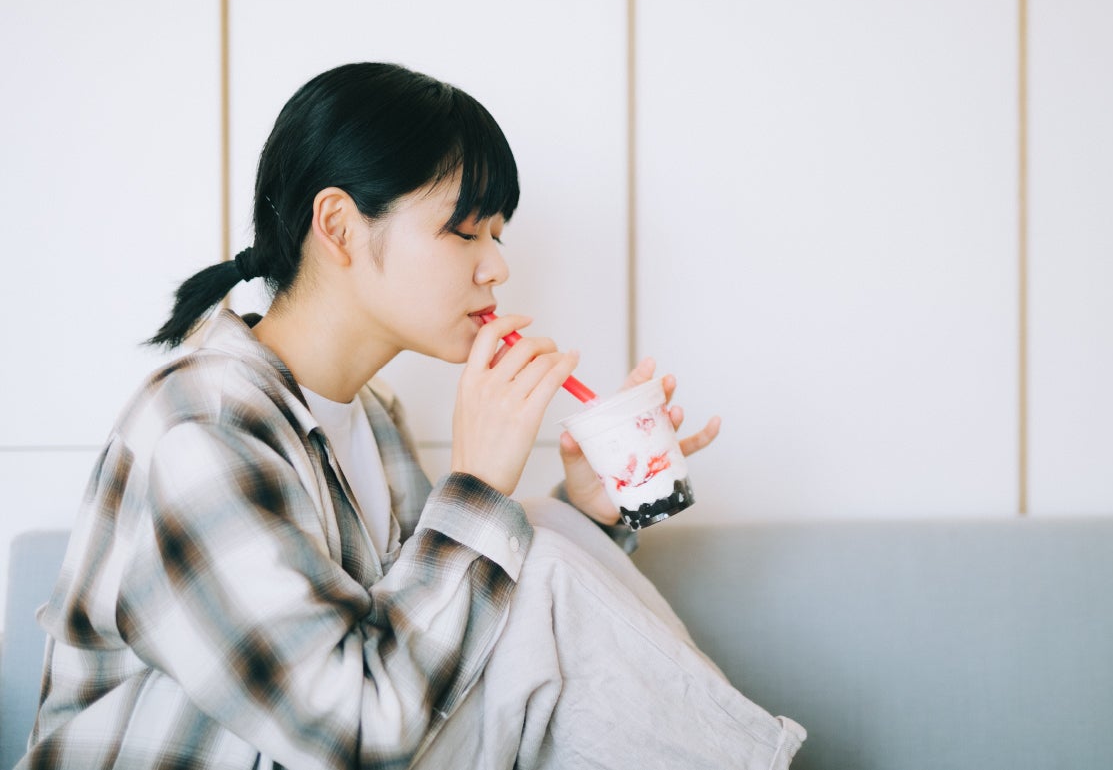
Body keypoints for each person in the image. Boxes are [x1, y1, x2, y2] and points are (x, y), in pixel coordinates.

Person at [18, 62, 805, 769]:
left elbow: (434, 636)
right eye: (464, 231)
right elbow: (357, 730)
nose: (497, 265)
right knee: (535, 560)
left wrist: (582, 512)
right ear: (338, 227)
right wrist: (477, 489)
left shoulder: (371, 416)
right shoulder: (202, 426)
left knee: (542, 538)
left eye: (496, 234)